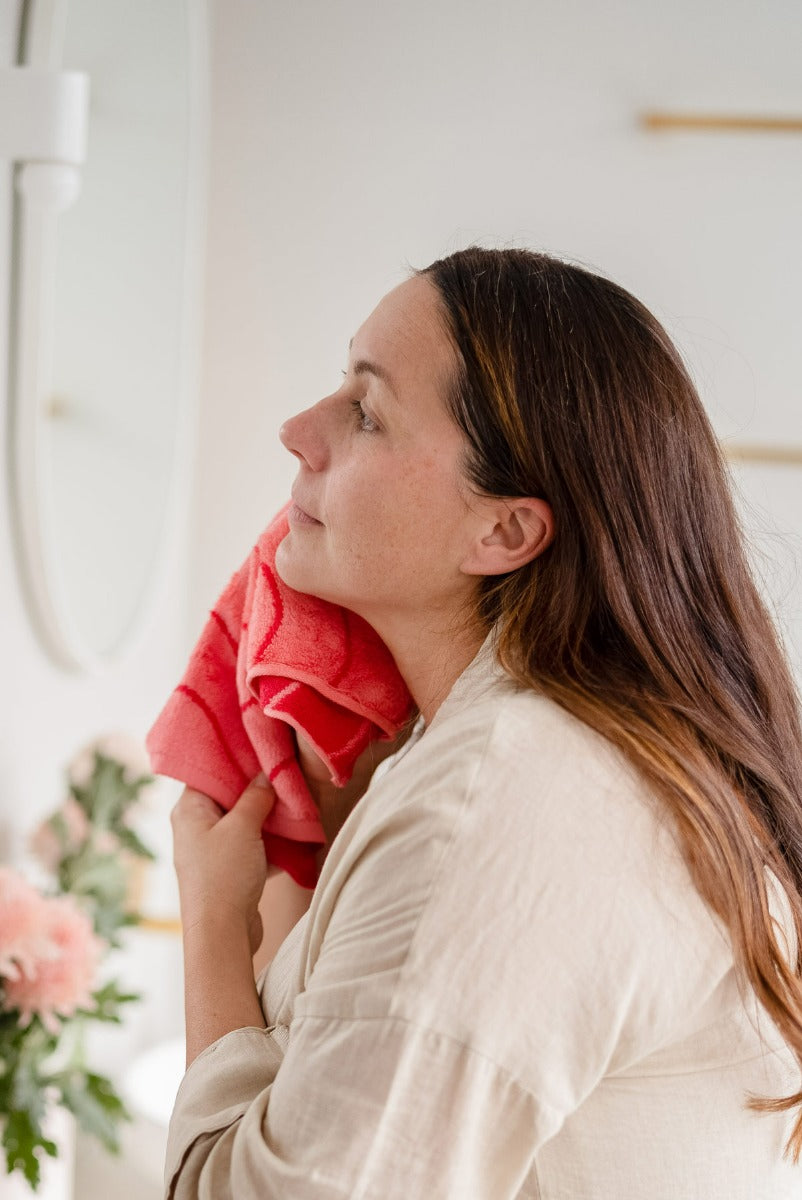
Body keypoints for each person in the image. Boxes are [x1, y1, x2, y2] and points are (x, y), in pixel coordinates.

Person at [165, 247, 802, 1199]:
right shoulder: (508, 756)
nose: (298, 431)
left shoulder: (501, 799)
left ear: (504, 531)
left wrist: (214, 922)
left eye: (367, 411)